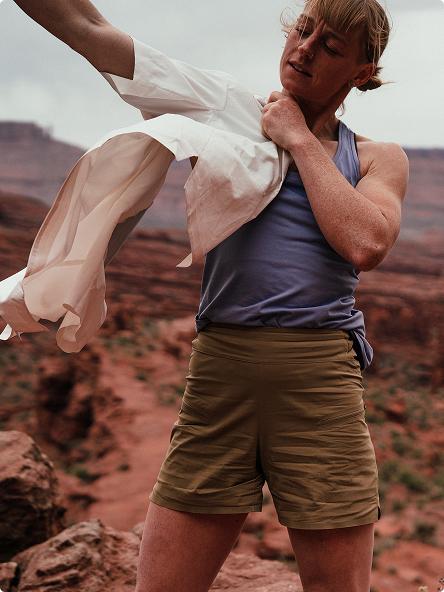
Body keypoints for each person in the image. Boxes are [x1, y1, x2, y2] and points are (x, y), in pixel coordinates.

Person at [6, 0, 409, 591]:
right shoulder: (224, 109)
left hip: (320, 384)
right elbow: (92, 32)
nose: (304, 49)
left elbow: (367, 243)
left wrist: (297, 137)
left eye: (330, 46)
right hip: (221, 376)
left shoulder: (377, 157)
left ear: (363, 69)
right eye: (304, 31)